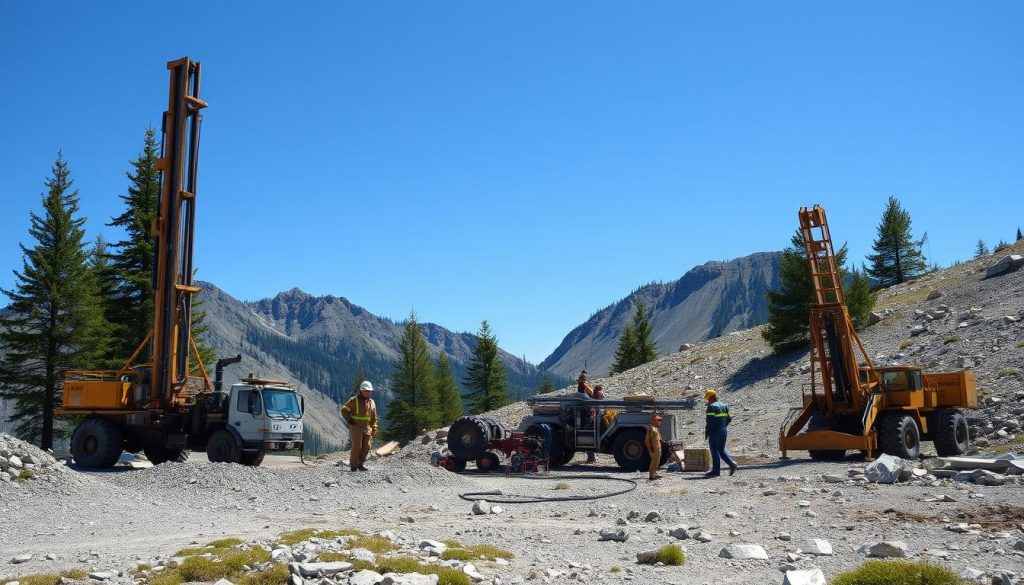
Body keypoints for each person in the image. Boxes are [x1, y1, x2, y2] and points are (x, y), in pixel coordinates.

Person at [341, 380, 378, 472]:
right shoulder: (354, 400)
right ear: (361, 390)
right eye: (366, 390)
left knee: (367, 447)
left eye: (369, 391)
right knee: (357, 446)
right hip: (356, 427)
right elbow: (344, 409)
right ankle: (353, 465)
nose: (368, 392)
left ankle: (360, 464)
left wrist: (374, 428)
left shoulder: (372, 402)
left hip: (367, 427)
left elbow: (374, 417)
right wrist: (349, 419)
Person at [703, 388, 737, 477]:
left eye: (707, 398)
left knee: (714, 451)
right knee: (721, 450)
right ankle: (732, 464)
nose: (707, 400)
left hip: (714, 432)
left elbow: (709, 422)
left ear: (710, 397)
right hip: (723, 431)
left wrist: (707, 432)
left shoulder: (711, 407)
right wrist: (723, 427)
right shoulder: (724, 405)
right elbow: (729, 419)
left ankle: (716, 471)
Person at [645, 413, 664, 480]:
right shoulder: (651, 429)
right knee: (654, 461)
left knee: (657, 461)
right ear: (655, 421)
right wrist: (650, 448)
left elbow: (658, 438)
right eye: (658, 421)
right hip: (654, 448)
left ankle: (655, 473)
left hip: (657, 448)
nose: (660, 422)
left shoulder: (656, 429)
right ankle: (651, 475)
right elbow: (647, 439)